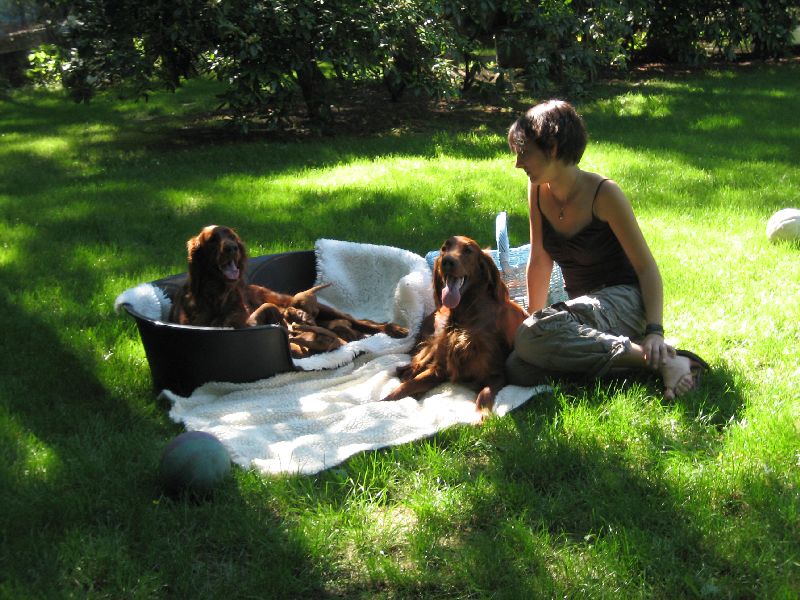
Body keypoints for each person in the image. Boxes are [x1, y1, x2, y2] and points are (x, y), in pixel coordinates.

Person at [505, 99, 707, 399]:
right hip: (586, 311)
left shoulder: (604, 194)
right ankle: (650, 362)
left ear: (553, 149)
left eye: (524, 152)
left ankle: (661, 358)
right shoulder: (537, 190)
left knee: (531, 339)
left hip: (627, 301)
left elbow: (646, 268)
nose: (518, 163)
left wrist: (655, 330)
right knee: (518, 367)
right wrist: (536, 319)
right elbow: (539, 258)